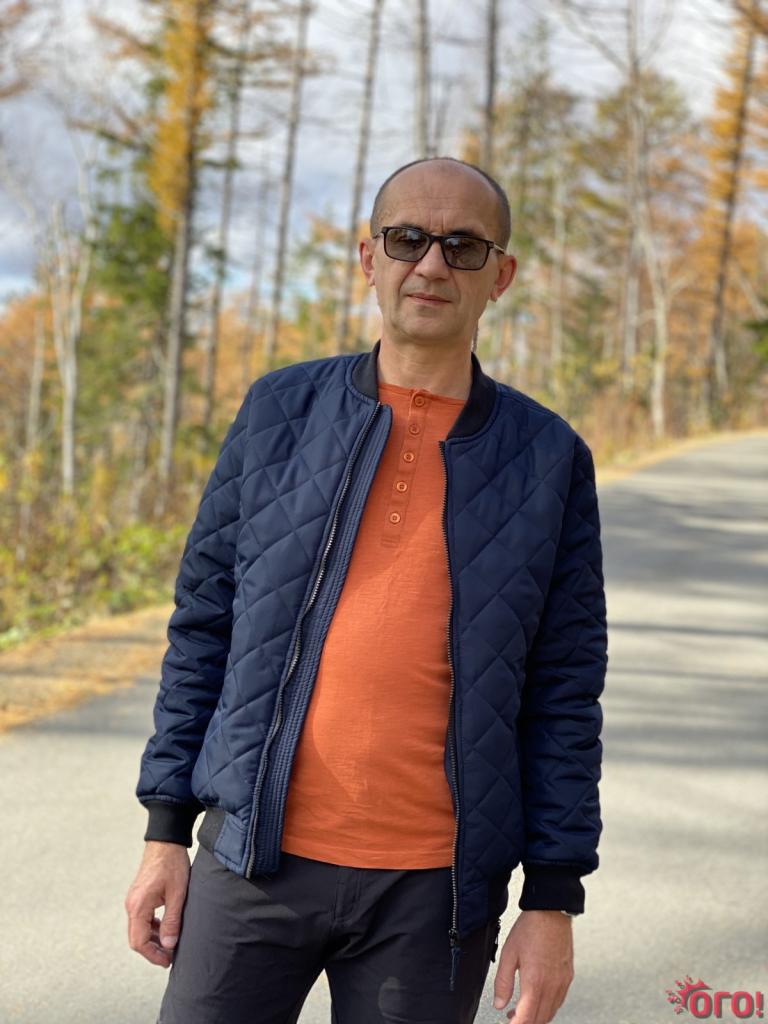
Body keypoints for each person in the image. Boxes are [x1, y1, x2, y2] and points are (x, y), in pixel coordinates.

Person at [126, 155, 608, 1024]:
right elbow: (204, 629)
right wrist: (165, 832)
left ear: (499, 276)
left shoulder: (548, 458)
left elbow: (564, 691)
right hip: (250, 863)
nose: (432, 265)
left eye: (463, 246)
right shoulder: (278, 413)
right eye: (408, 239)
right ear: (368, 258)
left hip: (433, 897)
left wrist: (553, 897)